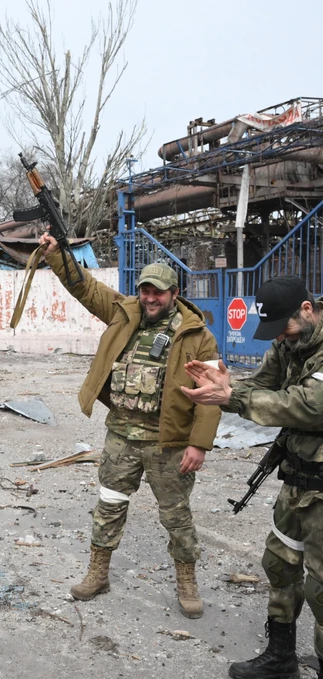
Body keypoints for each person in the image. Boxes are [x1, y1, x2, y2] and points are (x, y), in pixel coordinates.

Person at [40, 232, 221, 618]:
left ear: (174, 293)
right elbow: (86, 288)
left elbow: (210, 394)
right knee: (109, 504)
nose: (150, 299)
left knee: (176, 515)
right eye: (145, 291)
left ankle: (187, 582)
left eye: (158, 292)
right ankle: (97, 573)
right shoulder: (126, 313)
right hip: (121, 433)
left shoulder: (197, 336)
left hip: (167, 442)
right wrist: (57, 257)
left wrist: (199, 445)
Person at [183, 275, 323, 679]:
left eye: (285, 328)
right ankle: (281, 658)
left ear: (307, 310)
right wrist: (226, 386)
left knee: (321, 587)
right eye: (275, 331)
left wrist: (234, 399)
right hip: (297, 477)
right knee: (279, 564)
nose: (280, 337)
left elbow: (307, 407)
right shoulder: (289, 341)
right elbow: (262, 385)